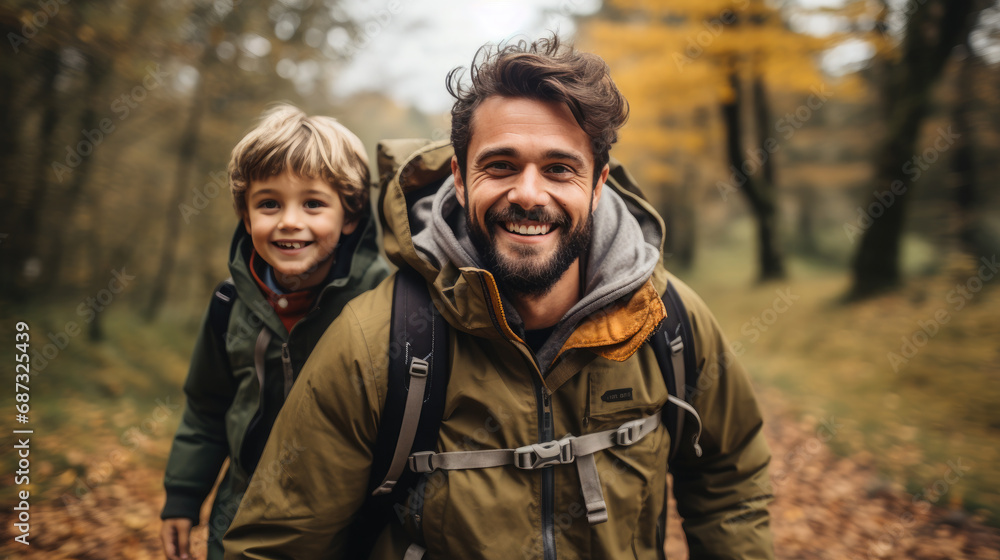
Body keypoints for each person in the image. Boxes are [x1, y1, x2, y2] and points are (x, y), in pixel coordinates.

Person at [225, 37, 774, 559]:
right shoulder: (375, 343)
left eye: (559, 168)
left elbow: (731, 481)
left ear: (598, 183)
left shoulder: (666, 322)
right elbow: (278, 544)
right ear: (461, 181)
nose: (529, 194)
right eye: (501, 165)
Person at [159, 104, 391, 560]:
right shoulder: (230, 305)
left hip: (351, 526)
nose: (289, 221)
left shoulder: (385, 302)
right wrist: (183, 496)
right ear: (246, 218)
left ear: (349, 216)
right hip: (243, 513)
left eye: (313, 203)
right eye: (269, 203)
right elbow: (207, 409)